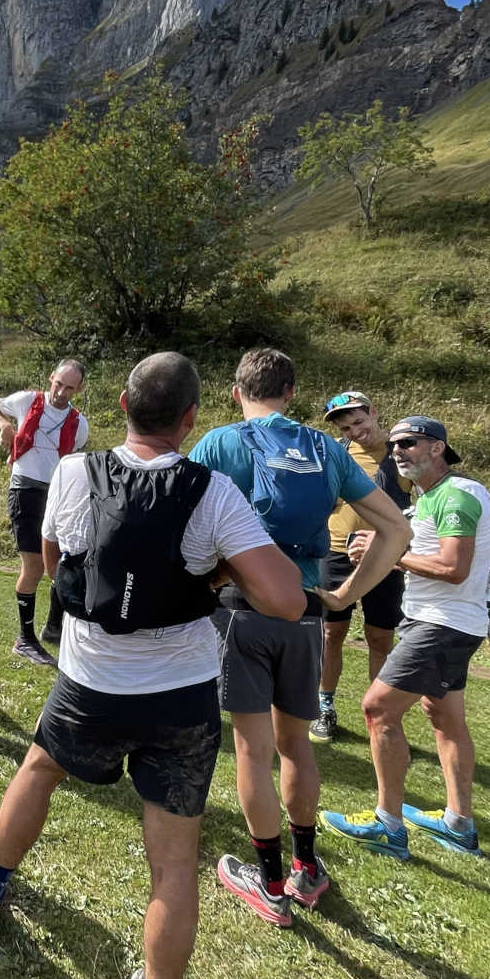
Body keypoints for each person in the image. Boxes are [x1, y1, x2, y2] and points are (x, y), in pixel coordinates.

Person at [0, 352, 303, 979]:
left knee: (39, 768)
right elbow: (287, 600)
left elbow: (52, 563)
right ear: (190, 421)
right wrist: (216, 574)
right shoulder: (213, 491)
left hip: (89, 681)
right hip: (180, 697)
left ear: (118, 402)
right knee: (174, 860)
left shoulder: (76, 472)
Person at [186, 349, 409, 926]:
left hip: (241, 608)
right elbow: (396, 528)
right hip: (307, 614)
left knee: (250, 751)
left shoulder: (219, 443)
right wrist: (345, 595)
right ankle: (308, 866)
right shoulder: (328, 448)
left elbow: (184, 523)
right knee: (296, 745)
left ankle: (270, 884)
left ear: (237, 393)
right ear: (291, 393)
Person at [325, 417, 490, 859]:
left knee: (377, 708)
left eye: (410, 443)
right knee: (444, 719)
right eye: (396, 444)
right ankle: (458, 823)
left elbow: (453, 568)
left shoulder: (456, 495)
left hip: (444, 624)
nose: (398, 450)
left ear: (438, 448)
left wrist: (397, 556)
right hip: (444, 623)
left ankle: (387, 823)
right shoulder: (430, 500)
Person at [313, 390, 412, 743]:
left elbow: (424, 506)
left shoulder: (402, 453)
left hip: (385, 558)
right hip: (335, 553)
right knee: (330, 634)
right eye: (346, 428)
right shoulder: (335, 454)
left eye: (358, 422)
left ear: (373, 412)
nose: (355, 432)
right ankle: (324, 708)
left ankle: (381, 715)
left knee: (379, 636)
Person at [0, 359, 89, 666]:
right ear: (51, 378)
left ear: (79, 389)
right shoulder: (28, 400)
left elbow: (71, 459)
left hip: (57, 494)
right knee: (32, 565)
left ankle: (54, 628)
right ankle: (24, 639)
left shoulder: (79, 423)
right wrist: (4, 425)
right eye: (59, 384)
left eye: (70, 387)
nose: (61, 392)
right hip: (24, 490)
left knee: (62, 561)